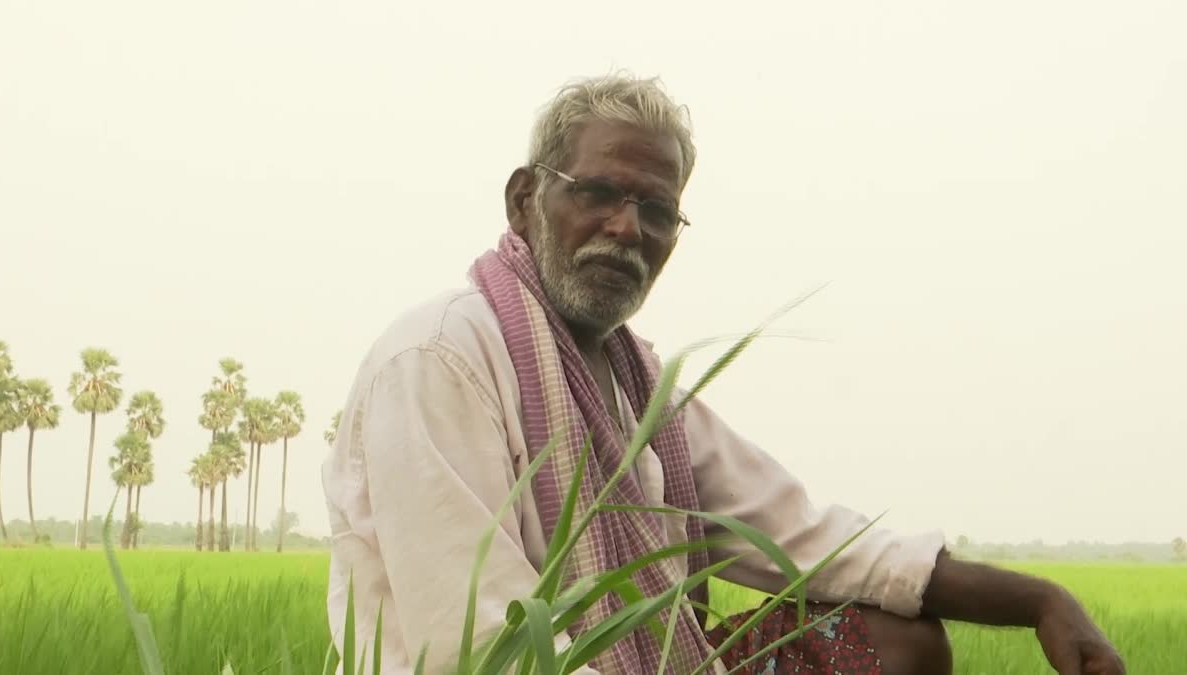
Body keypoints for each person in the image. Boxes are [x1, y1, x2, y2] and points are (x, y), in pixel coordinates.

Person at [321, 73, 1125, 675]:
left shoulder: (639, 388)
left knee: (899, 639)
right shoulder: (439, 358)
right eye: (599, 191)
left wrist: (1040, 601)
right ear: (525, 199)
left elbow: (810, 538)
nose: (626, 228)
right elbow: (484, 641)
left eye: (658, 210)